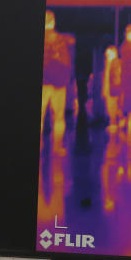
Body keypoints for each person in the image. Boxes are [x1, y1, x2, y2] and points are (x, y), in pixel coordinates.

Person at [41, 10, 75, 156]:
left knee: (40, 116)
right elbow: (67, 61)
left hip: (42, 82)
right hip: (58, 83)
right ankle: (57, 147)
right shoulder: (61, 39)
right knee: (59, 116)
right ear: (53, 22)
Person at [102, 45, 122, 132]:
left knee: (114, 107)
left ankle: (114, 123)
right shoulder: (108, 64)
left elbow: (118, 77)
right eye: (107, 54)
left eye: (110, 54)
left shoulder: (116, 63)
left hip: (114, 89)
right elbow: (106, 79)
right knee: (110, 107)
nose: (108, 56)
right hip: (109, 89)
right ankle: (113, 123)